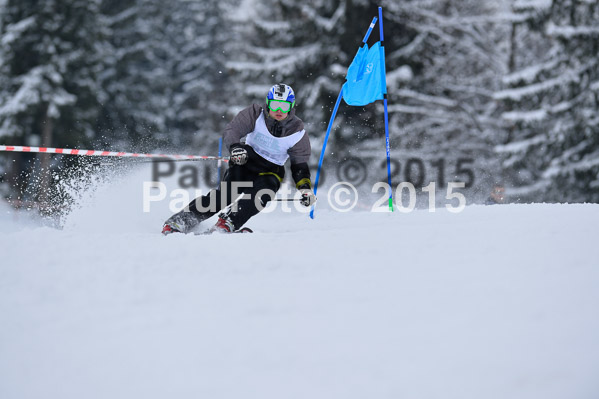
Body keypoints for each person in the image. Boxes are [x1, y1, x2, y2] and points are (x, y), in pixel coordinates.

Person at [162, 83, 316, 235]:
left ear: (292, 107)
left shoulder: (297, 133)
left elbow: (299, 166)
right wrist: (236, 148)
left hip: (271, 171)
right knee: (224, 196)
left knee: (261, 195)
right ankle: (182, 220)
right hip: (245, 163)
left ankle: (229, 221)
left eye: (284, 106)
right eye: (275, 104)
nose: (278, 111)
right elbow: (233, 129)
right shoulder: (255, 114)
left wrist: (305, 190)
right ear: (268, 103)